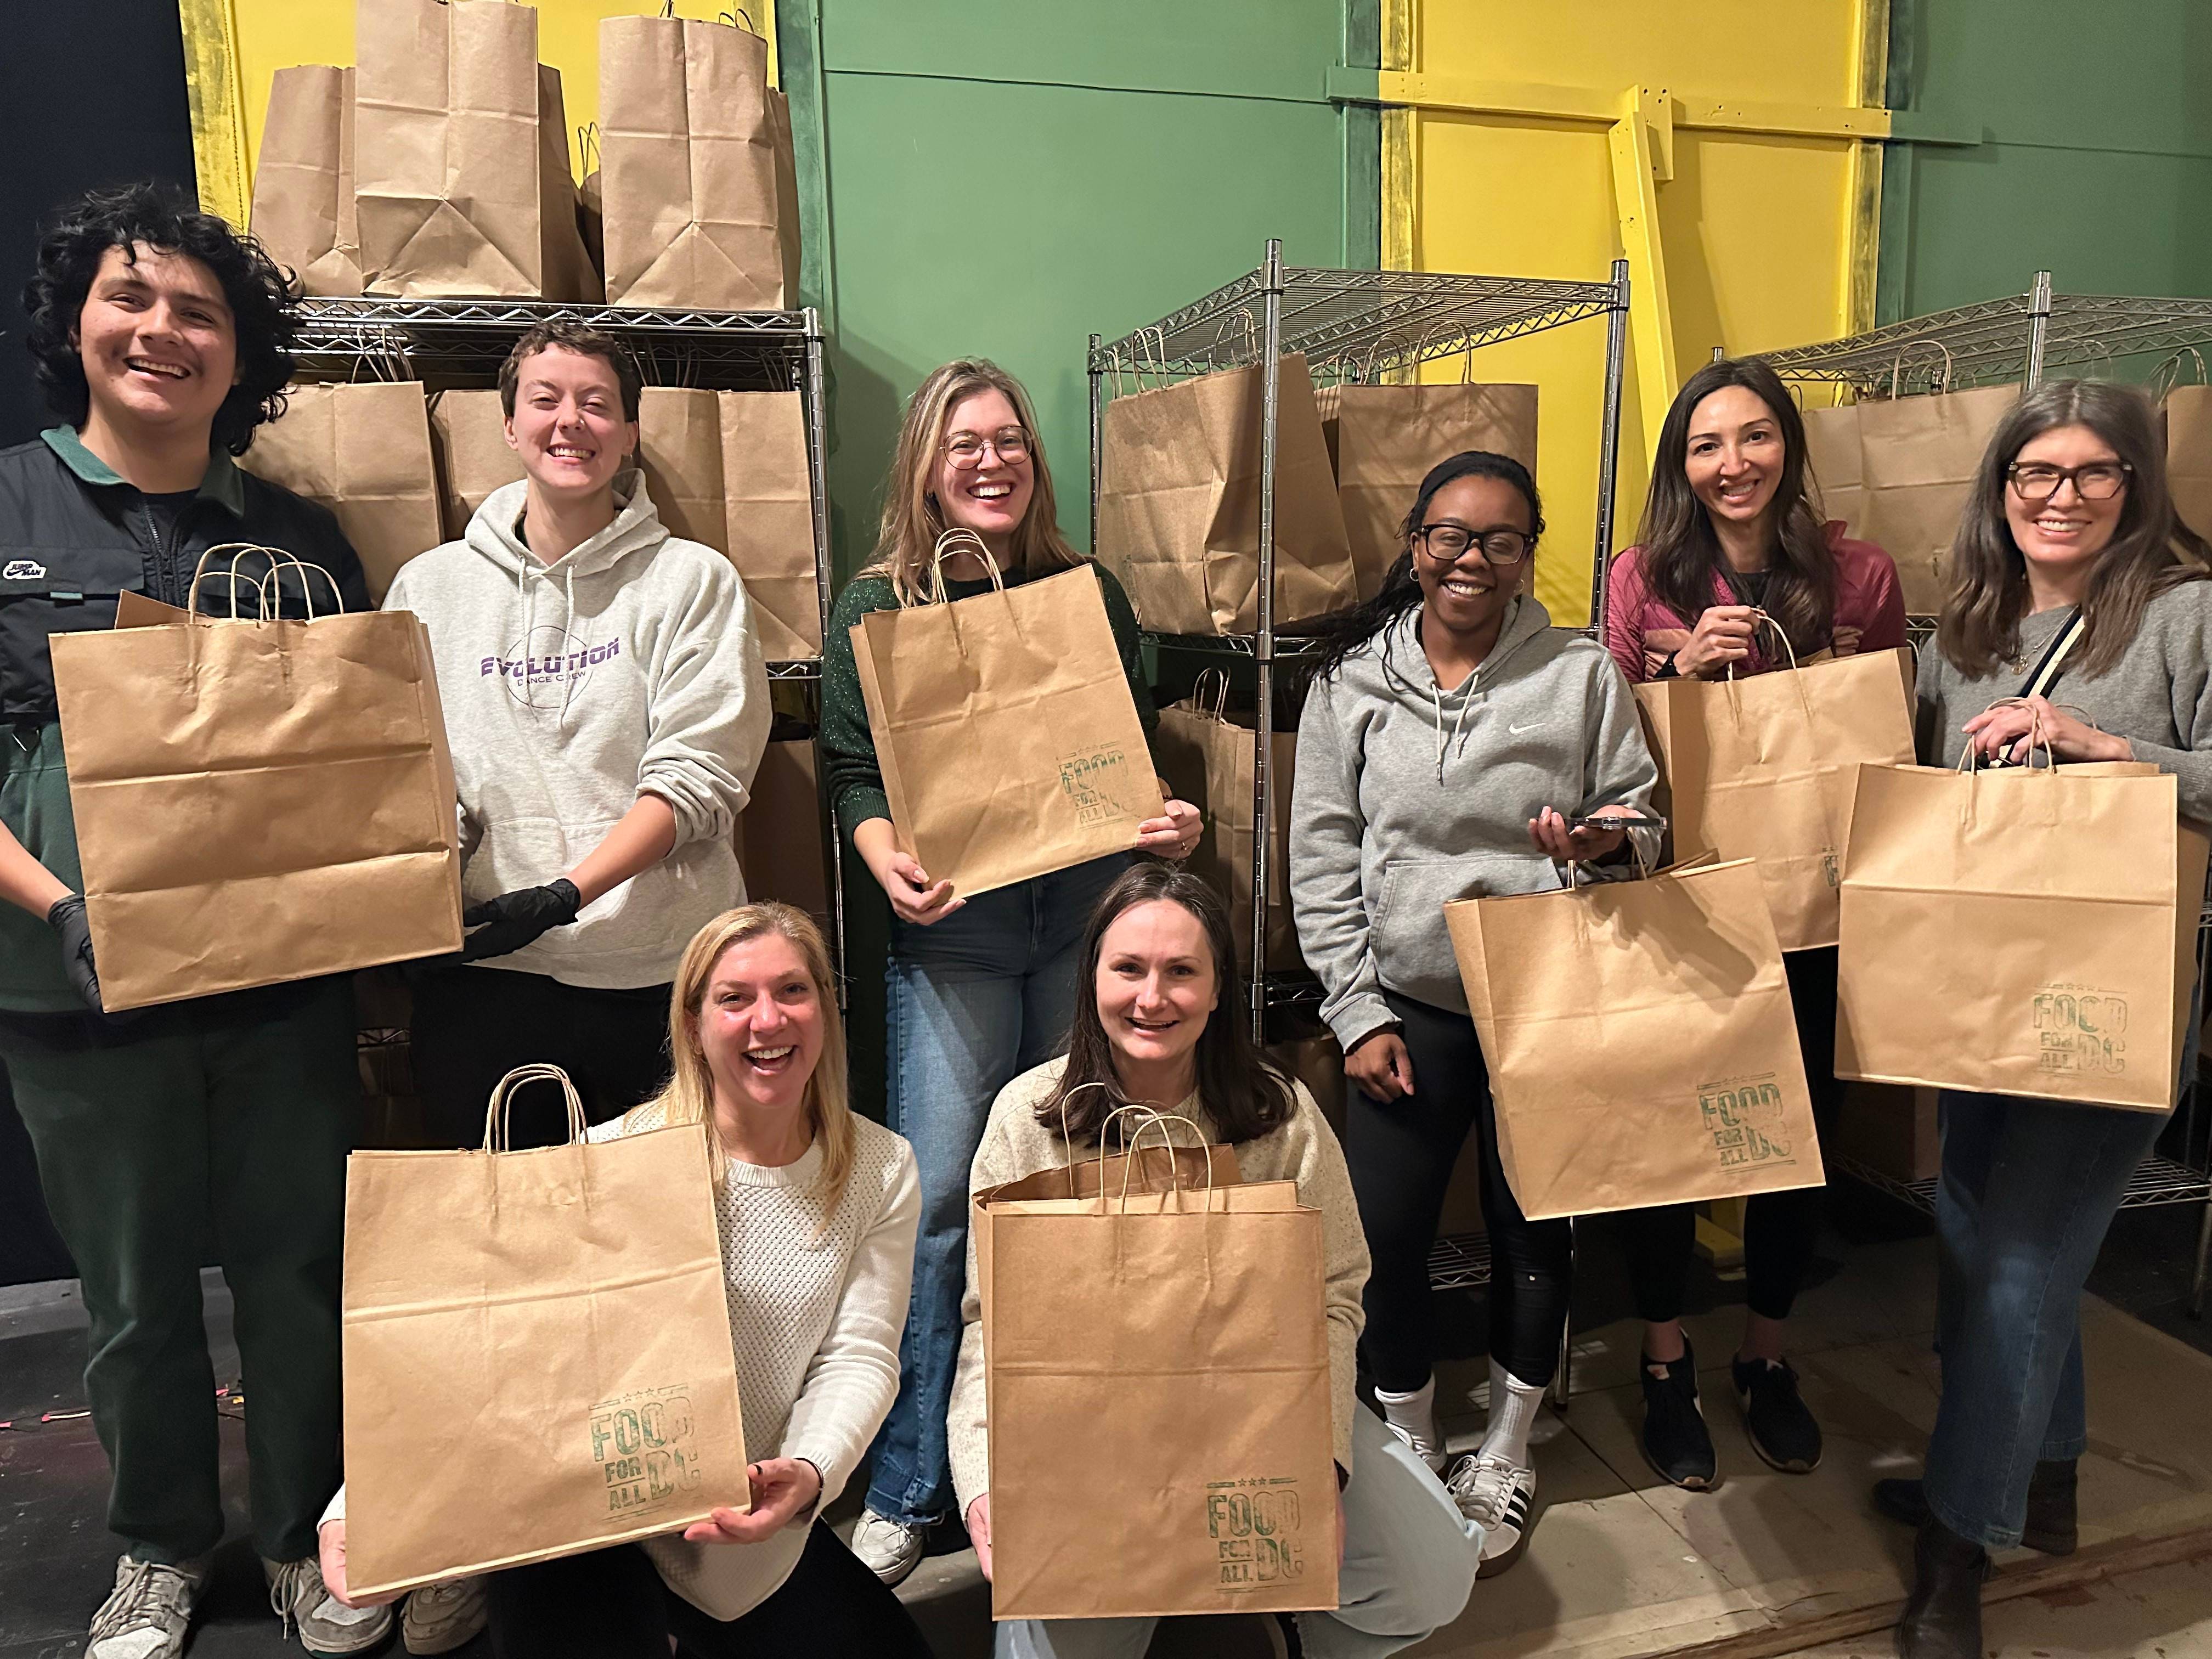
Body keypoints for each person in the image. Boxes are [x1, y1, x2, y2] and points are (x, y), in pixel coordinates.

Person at [0, 184, 385, 1656]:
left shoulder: (297, 535)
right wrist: (62, 906)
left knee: (298, 1275)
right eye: (133, 298)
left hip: (281, 986)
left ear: (241, 358)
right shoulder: (11, 509)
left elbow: (347, 762)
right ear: (79, 323)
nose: (162, 331)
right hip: (72, 988)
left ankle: (301, 1539)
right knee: (134, 1294)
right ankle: (160, 1549)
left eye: (199, 313)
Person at [821, 358, 1202, 1583]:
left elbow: (1128, 764)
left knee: (1070, 1183)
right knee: (939, 1202)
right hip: (961, 928)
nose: (992, 462)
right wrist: (886, 861)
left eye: (1010, 441)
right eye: (964, 443)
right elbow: (849, 771)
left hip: (1086, 918)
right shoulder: (877, 603)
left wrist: (1168, 828)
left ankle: (1053, 1448)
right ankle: (913, 1481)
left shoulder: (1090, 591)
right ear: (926, 467)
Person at [317, 904, 930, 1658]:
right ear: (695, 1025)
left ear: (824, 1011)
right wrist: (363, 1505)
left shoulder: (879, 1167)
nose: (767, 1021)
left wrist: (810, 1470)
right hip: (583, 1527)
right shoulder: (608, 1159)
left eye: (792, 991)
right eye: (735, 998)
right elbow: (482, 1359)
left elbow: (860, 1354)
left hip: (745, 1517)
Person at [1871, 380, 2212, 1659]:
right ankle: (2044, 1473)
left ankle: (1959, 1546)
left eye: (2092, 473)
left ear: (2136, 486)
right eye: (2034, 473)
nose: (2059, 497)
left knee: (2019, 1263)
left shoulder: (2184, 616)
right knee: (1976, 1239)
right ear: (1999, 489)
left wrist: (2102, 747)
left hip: (2107, 999)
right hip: (1974, 984)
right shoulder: (1965, 627)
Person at [951, 863, 1483, 1657]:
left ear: (1219, 986)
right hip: (1085, 1433)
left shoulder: (1282, 1115)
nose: (1152, 998)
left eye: (1181, 972)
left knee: (1428, 1579)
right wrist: (984, 1479)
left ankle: (1282, 1622)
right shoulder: (1029, 1119)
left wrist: (1322, 1468)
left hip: (1257, 1417)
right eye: (1127, 968)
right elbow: (989, 1322)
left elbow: (1334, 1295)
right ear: (1090, 974)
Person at [1289, 450, 1658, 1578]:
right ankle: (1404, 1433)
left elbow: (1644, 822)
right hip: (1406, 1009)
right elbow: (1321, 855)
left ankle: (1504, 1444)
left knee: (1534, 1232)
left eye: (1502, 541)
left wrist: (1600, 842)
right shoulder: (1351, 688)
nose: (1473, 560)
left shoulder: (1583, 677)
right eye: (1452, 535)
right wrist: (1356, 1013)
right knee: (1385, 1241)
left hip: (1543, 1001)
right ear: (1415, 544)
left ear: (1527, 556)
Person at [1600, 355, 1908, 1491]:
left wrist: (1819, 670)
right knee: (1675, 1142)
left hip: (1814, 912)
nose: (1734, 464)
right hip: (1685, 896)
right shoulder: (1645, 576)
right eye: (1707, 445)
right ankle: (1666, 1359)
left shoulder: (1858, 573)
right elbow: (1607, 742)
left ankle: (1766, 1356)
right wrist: (1679, 665)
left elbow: (1886, 738)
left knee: (1797, 1141)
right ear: (1682, 466)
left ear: (1789, 446)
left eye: (1755, 438)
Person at [384, 322, 770, 1149]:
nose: (572, 422)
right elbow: (407, 775)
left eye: (598, 405)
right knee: (503, 1234)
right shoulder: (430, 587)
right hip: (485, 975)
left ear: (630, 433)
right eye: (546, 400)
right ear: (508, 424)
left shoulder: (692, 581)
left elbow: (701, 777)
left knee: (663, 1238)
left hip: (657, 974)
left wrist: (566, 894)